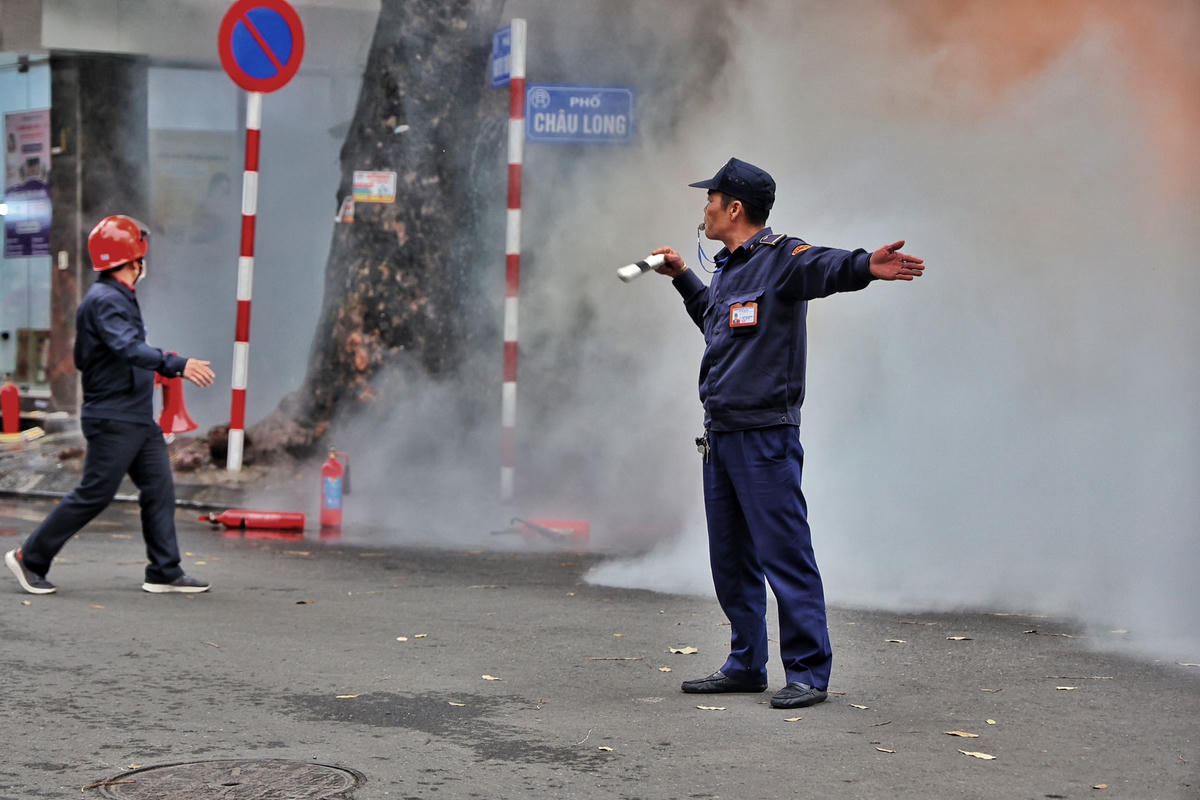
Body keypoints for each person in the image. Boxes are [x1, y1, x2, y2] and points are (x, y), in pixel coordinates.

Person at [651, 157, 925, 709]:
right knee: (730, 559)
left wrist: (866, 265)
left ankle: (807, 673)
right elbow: (715, 321)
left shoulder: (783, 260)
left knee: (785, 554)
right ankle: (745, 664)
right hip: (721, 435)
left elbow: (825, 267)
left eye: (710, 200)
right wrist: (683, 276)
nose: (702, 208)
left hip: (765, 438)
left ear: (734, 208)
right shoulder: (729, 269)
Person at [5, 215, 216, 595]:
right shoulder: (104, 301)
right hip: (113, 417)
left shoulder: (118, 298)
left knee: (159, 489)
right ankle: (29, 558)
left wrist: (149, 370)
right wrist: (176, 364)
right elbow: (127, 347)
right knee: (95, 492)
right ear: (134, 258)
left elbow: (110, 355)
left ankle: (165, 571)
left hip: (134, 416)